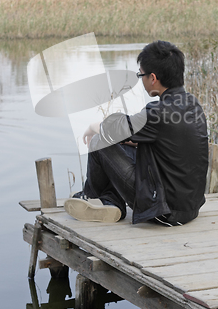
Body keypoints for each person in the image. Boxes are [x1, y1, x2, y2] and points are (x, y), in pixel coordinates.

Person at [64, 40, 209, 226]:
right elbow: (150, 139)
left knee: (100, 141)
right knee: (124, 142)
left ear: (153, 78)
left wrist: (93, 126)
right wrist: (126, 140)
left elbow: (113, 130)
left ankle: (92, 196)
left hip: (164, 211)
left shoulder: (158, 113)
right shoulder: (192, 104)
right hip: (189, 208)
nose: (142, 80)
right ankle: (110, 200)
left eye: (141, 75)